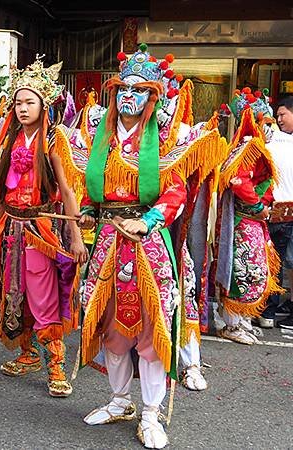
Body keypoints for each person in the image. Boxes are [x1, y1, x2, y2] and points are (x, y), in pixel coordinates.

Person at [79, 45, 224, 449]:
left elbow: (175, 192)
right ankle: (119, 400)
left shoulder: (163, 137)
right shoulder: (100, 137)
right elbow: (96, 189)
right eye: (122, 89)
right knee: (110, 326)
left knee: (151, 329)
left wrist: (147, 221)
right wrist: (91, 210)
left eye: (138, 89)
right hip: (107, 241)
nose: (128, 95)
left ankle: (150, 413)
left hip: (147, 244)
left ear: (151, 96)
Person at [0, 58, 87, 398]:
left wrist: (75, 237)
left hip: (40, 230)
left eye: (30, 102)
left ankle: (56, 365)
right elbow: (0, 193)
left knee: (43, 297)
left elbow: (68, 190)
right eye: (18, 102)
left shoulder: (55, 140)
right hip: (11, 229)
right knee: (14, 294)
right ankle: (28, 353)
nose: (23, 108)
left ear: (44, 105)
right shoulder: (7, 144)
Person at [215, 88, 283, 344]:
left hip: (252, 220)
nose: (270, 127)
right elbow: (239, 181)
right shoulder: (250, 146)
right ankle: (232, 325)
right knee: (242, 268)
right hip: (246, 219)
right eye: (267, 122)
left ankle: (241, 320)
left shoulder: (252, 146)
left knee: (250, 267)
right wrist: (256, 207)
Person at [271, 97, 293, 329]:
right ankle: (277, 305)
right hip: (281, 213)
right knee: (280, 262)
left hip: (286, 212)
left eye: (283, 114)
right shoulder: (280, 141)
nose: (279, 120)